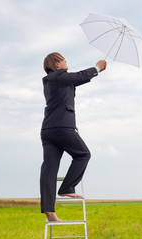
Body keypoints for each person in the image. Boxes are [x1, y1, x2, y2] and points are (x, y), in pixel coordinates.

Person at [40, 52, 107, 221]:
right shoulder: (58, 76)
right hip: (62, 127)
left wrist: (94, 73)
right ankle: (67, 187)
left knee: (49, 169)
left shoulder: (54, 81)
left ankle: (50, 212)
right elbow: (78, 76)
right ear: (57, 64)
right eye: (63, 60)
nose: (66, 61)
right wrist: (97, 68)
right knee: (83, 154)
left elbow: (77, 80)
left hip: (49, 130)